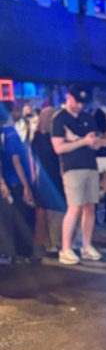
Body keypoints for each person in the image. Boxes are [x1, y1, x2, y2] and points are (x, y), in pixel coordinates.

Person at [52, 84, 102, 264]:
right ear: (69, 97)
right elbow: (58, 148)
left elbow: (96, 144)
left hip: (90, 165)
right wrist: (83, 141)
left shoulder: (88, 117)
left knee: (90, 207)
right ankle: (66, 249)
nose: (80, 105)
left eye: (83, 102)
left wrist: (77, 139)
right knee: (74, 207)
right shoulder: (60, 118)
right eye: (77, 101)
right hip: (72, 168)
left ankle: (86, 246)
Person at [0, 104, 36, 261]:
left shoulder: (3, 133)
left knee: (11, 219)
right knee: (24, 218)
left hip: (8, 179)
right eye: (16, 109)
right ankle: (24, 253)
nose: (19, 112)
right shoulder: (11, 133)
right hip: (17, 180)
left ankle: (11, 252)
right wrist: (26, 186)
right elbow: (16, 160)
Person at [31, 106, 66, 253]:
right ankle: (54, 241)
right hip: (54, 174)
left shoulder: (37, 136)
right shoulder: (54, 137)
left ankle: (47, 242)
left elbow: (33, 158)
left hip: (43, 176)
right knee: (55, 210)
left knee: (45, 210)